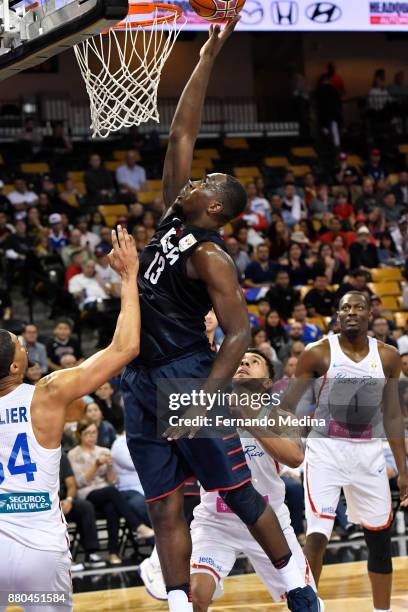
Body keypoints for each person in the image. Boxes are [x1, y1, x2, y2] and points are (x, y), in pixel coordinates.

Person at [120, 20, 319, 612]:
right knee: (163, 503)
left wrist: (202, 400)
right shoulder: (172, 221)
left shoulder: (213, 258)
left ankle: (294, 583)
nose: (192, 177)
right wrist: (208, 52)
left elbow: (239, 334)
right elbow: (182, 131)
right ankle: (181, 601)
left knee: (239, 492)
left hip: (185, 375)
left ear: (213, 205)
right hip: (142, 378)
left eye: (202, 181)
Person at [0, 226, 140, 608]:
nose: (25, 344)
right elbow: (124, 346)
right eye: (21, 344)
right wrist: (128, 276)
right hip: (40, 551)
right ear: (16, 365)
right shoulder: (47, 393)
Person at [280, 291, 408, 612]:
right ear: (337, 316)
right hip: (326, 451)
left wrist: (404, 472)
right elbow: (287, 408)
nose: (351, 312)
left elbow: (393, 416)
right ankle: (309, 608)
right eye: (345, 308)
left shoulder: (388, 357)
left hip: (369, 454)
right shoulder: (318, 353)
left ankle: (383, 610)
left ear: (370, 314)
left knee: (379, 538)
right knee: (318, 535)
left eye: (358, 307)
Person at [190, 350, 320, 611]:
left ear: (267, 383)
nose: (244, 363)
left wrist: (248, 418)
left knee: (307, 604)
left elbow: (295, 457)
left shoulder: (281, 416)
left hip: (270, 520)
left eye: (254, 361)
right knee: (197, 595)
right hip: (217, 522)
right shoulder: (208, 411)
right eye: (238, 361)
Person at [68, 418, 145, 564]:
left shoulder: (104, 451)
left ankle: (113, 553)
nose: (92, 436)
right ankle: (137, 525)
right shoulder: (74, 454)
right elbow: (80, 482)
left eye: (94, 432)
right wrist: (96, 464)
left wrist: (109, 466)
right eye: (87, 433)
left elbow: (112, 480)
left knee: (111, 507)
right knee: (111, 493)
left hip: (106, 492)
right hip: (87, 494)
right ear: (80, 435)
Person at [59, 452, 105, 571]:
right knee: (51, 514)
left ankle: (90, 554)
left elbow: (71, 485)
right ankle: (63, 560)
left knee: (85, 507)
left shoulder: (60, 455)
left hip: (64, 502)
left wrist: (69, 500)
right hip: (44, 503)